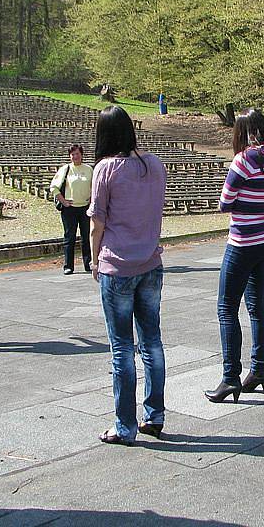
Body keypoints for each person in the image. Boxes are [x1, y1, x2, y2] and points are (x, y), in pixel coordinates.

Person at [88, 106, 167, 445]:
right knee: (151, 342)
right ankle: (155, 414)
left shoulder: (105, 169)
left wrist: (93, 261)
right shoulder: (154, 165)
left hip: (117, 267)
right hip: (150, 263)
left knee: (121, 348)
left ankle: (125, 426)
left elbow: (97, 224)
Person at [205, 109, 264, 404]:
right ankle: (259, 370)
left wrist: (240, 198)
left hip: (243, 242)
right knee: (256, 307)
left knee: (226, 308)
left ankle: (230, 378)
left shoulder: (244, 159)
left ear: (242, 131)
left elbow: (224, 203)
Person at [50, 144, 93, 274]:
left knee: (87, 237)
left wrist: (91, 200)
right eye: (73, 154)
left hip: (85, 208)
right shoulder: (65, 169)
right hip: (70, 209)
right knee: (70, 237)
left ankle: (88, 263)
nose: (75, 156)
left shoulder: (89, 169)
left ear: (82, 155)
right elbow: (54, 187)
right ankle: (68, 266)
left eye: (77, 154)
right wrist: (63, 201)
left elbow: (94, 186)